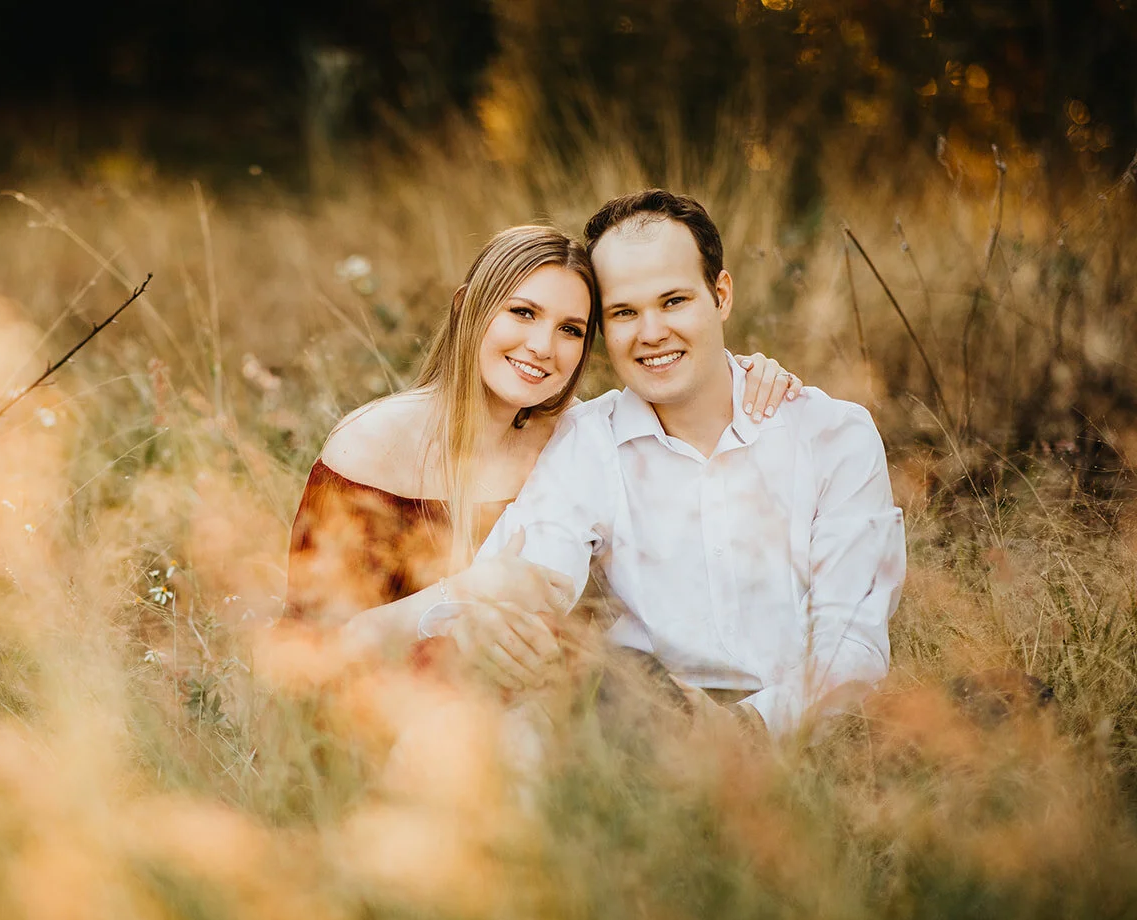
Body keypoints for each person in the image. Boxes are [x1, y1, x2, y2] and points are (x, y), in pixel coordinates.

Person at [459, 191, 906, 733]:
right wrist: (507, 619)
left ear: (720, 295)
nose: (651, 334)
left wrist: (746, 729)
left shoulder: (834, 436)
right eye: (624, 312)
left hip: (803, 734)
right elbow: (531, 568)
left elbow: (851, 642)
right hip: (645, 726)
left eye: (674, 301)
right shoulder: (588, 441)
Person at [283, 223, 802, 689]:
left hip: (530, 712)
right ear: (468, 307)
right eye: (523, 313)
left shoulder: (575, 435)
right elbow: (308, 653)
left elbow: (690, 416)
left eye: (570, 329)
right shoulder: (373, 443)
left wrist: (747, 377)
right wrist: (468, 591)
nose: (542, 346)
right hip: (376, 714)